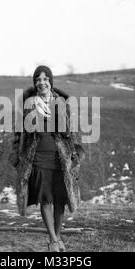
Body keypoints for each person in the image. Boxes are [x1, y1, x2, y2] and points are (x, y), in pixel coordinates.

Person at [9, 65, 85, 252]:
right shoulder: (27, 104)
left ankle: (57, 238)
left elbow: (73, 131)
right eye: (37, 79)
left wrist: (76, 153)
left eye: (45, 78)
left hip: (60, 157)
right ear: (34, 83)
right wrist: (17, 154)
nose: (41, 82)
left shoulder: (62, 103)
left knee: (60, 200)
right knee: (46, 199)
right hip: (37, 157)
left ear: (50, 81)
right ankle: (53, 240)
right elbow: (18, 133)